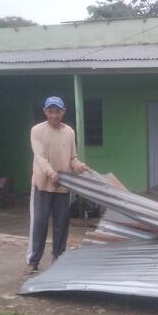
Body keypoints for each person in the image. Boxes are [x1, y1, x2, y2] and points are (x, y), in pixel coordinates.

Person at [25, 96, 90, 274]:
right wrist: (51, 173)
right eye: (50, 111)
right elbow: (40, 157)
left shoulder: (69, 132)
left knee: (62, 223)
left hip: (63, 185)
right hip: (42, 184)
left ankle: (58, 258)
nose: (54, 115)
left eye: (57, 111)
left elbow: (72, 158)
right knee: (39, 223)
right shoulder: (37, 131)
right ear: (45, 111)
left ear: (63, 112)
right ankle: (33, 261)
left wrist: (79, 166)